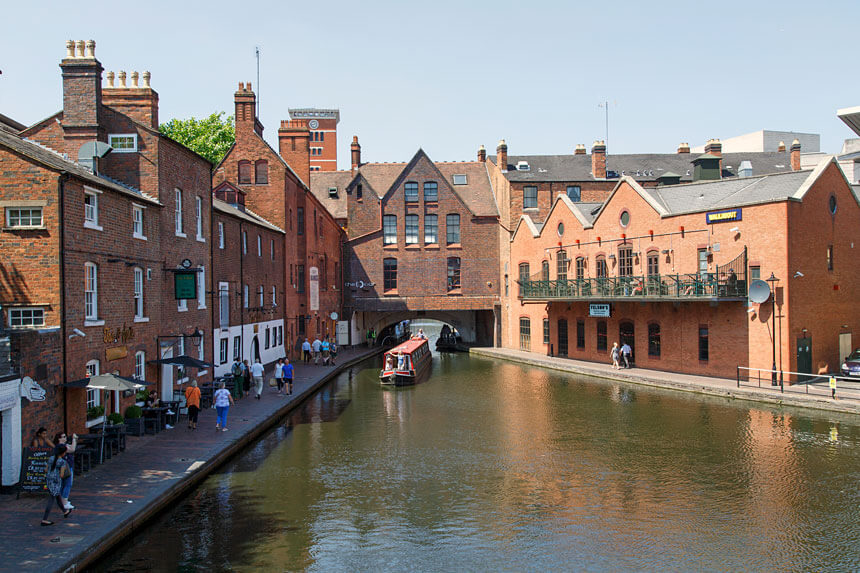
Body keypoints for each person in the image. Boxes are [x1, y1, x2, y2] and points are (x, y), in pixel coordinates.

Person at [41, 444, 72, 525]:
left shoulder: (51, 458)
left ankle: (65, 511)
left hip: (49, 480)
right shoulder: (62, 462)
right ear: (63, 453)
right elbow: (61, 475)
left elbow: (45, 469)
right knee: (51, 499)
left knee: (57, 496)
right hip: (56, 482)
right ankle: (44, 519)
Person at [53, 432, 77, 510]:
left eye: (65, 436)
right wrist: (74, 439)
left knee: (63, 484)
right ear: (59, 438)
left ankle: (63, 501)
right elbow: (72, 449)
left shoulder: (59, 446)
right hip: (66, 467)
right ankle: (65, 503)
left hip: (62, 467)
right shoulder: (62, 446)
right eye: (63, 437)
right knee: (68, 484)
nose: (65, 438)